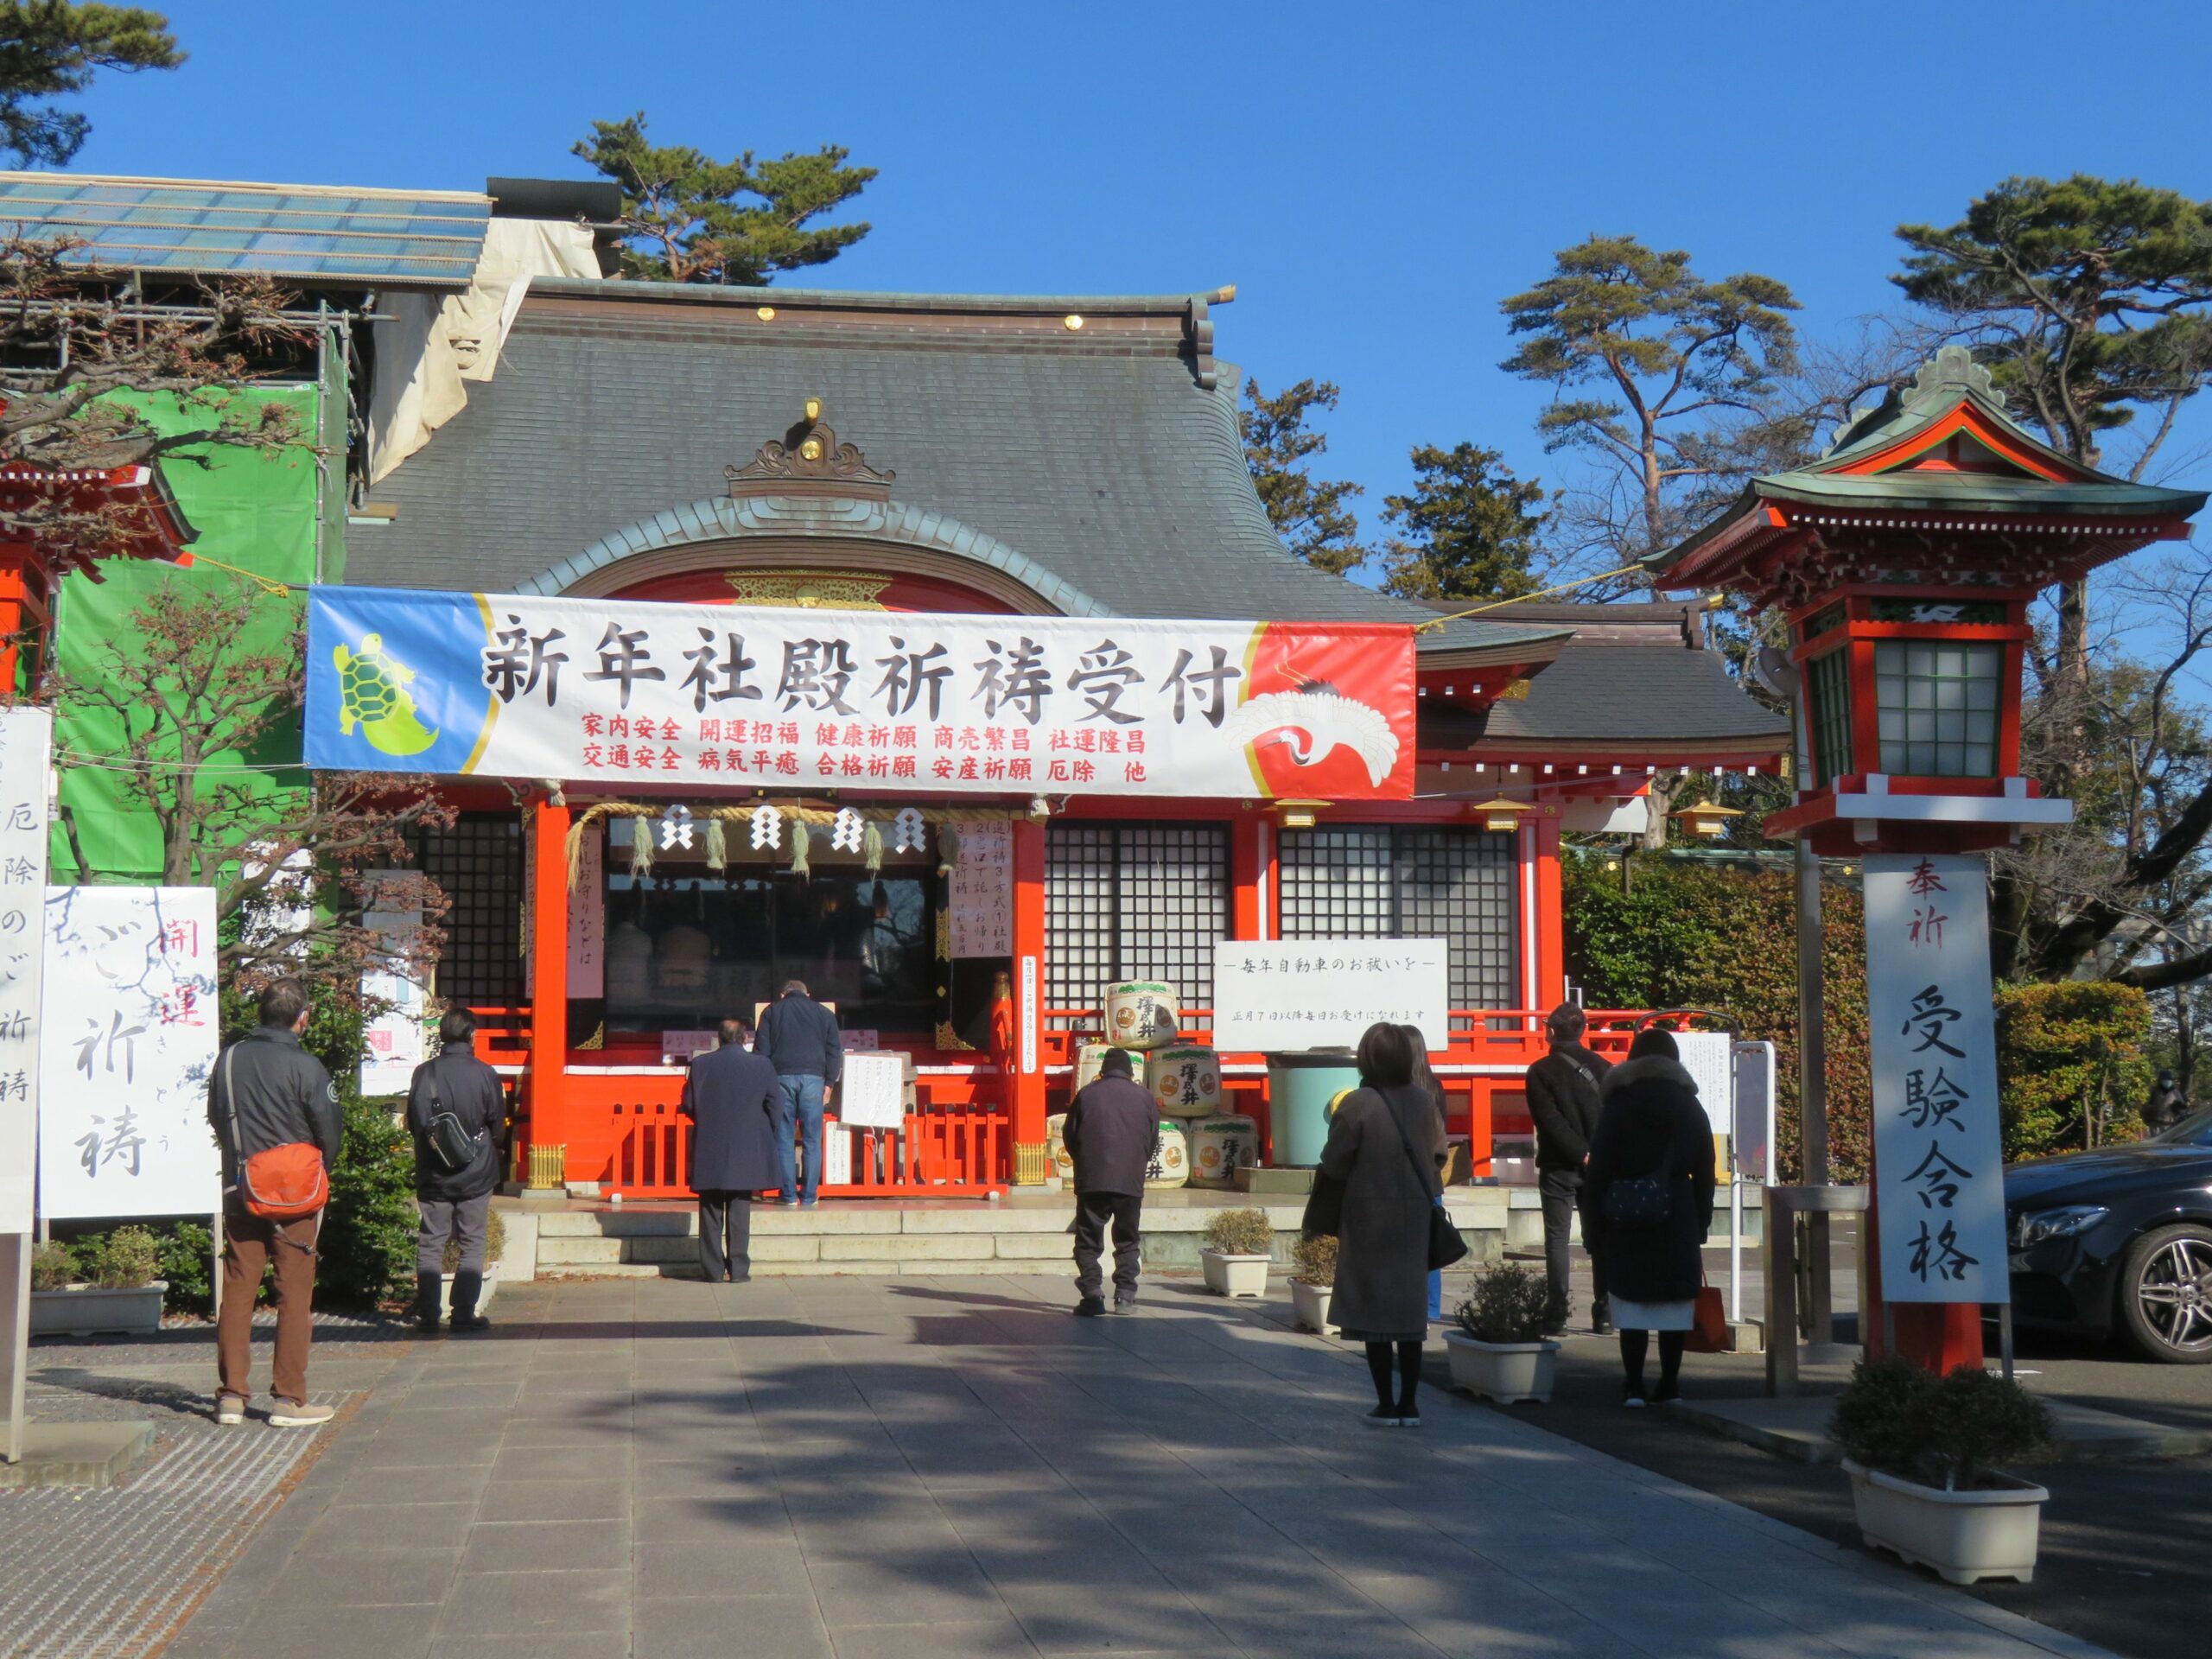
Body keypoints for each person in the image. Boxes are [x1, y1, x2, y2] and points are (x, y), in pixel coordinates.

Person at [208, 977, 341, 1428]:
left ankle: (231, 1396)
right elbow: (329, 1132)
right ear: (302, 1018)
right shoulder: (308, 1067)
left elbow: (216, 1117)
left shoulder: (228, 1060)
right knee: (295, 1291)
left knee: (240, 1287)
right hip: (296, 1194)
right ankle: (288, 1398)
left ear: (260, 1013)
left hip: (241, 1185)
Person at [1320, 1021, 1445, 1427]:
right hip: (1413, 1218)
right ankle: (1410, 1404)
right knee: (1410, 1316)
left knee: (1374, 1316)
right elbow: (1439, 1153)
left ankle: (1385, 1403)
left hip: (1368, 1216)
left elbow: (1335, 1161)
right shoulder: (1424, 1102)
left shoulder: (1357, 1103)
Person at [1585, 1027, 1715, 1408]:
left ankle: (1634, 1386)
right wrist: (1702, 1220)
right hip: (1677, 1211)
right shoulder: (1689, 1105)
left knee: (1632, 1300)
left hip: (1626, 1213)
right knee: (1674, 1302)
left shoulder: (1619, 1104)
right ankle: (1671, 1385)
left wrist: (1594, 1227)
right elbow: (1705, 1168)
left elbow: (1598, 1172)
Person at [406, 1007, 507, 1336]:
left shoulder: (424, 1074)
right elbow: (497, 1126)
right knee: (473, 1240)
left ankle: (428, 1313)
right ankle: (463, 1311)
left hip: (434, 1171)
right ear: (472, 1035)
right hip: (476, 1171)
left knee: (431, 1240)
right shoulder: (485, 1073)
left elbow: (415, 1123)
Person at [1525, 1003, 1614, 1335]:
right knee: (1600, 1239)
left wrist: (1579, 1152)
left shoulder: (1540, 1071)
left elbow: (1549, 1121)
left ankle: (1557, 1312)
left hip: (1559, 1164)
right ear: (1584, 1031)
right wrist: (1595, 1154)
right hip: (1600, 1165)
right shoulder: (1605, 1068)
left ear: (1550, 1030)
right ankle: (1604, 1312)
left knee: (1558, 1239)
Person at [680, 1019, 783, 1281]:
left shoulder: (701, 1064)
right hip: (747, 1143)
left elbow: (689, 1104)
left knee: (710, 1208)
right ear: (744, 1039)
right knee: (740, 1206)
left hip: (710, 1142)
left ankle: (712, 1270)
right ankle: (738, 1269)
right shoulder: (761, 1064)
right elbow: (775, 1104)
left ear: (720, 1038)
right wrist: (764, 1131)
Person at [1062, 1047, 1160, 1316]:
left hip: (1092, 1180)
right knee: (1127, 1240)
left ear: (1102, 1071)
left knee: (1088, 1241)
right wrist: (1136, 1164)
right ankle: (1125, 1296)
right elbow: (1152, 1140)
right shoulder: (1145, 1097)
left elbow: (1070, 1135)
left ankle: (1092, 1293)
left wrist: (1084, 1162)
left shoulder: (1087, 1095)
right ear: (1130, 1072)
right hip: (1130, 1181)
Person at [753, 978, 843, 1207]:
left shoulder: (771, 1012)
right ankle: (810, 1195)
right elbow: (834, 1051)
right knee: (812, 1139)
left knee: (783, 1138)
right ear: (808, 994)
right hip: (814, 1080)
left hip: (780, 1078)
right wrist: (829, 1082)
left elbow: (761, 1052)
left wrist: (764, 1084)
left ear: (783, 995)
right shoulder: (824, 1014)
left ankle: (789, 1195)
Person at [1404, 1027, 1451, 1323]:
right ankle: (1431, 1308)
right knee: (1430, 1246)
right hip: (1430, 1177)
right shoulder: (1434, 1087)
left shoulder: (1392, 1092)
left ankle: (1403, 1304)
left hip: (1400, 1180)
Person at [2144, 1070, 2189, 1136]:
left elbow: (2183, 1110)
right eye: (2165, 1080)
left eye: (2169, 1080)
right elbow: (2146, 1106)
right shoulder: (2155, 1092)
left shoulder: (2175, 1092)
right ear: (2160, 1081)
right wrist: (2151, 1109)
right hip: (2156, 1125)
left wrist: (2178, 1107)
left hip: (2170, 1125)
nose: (2167, 1082)